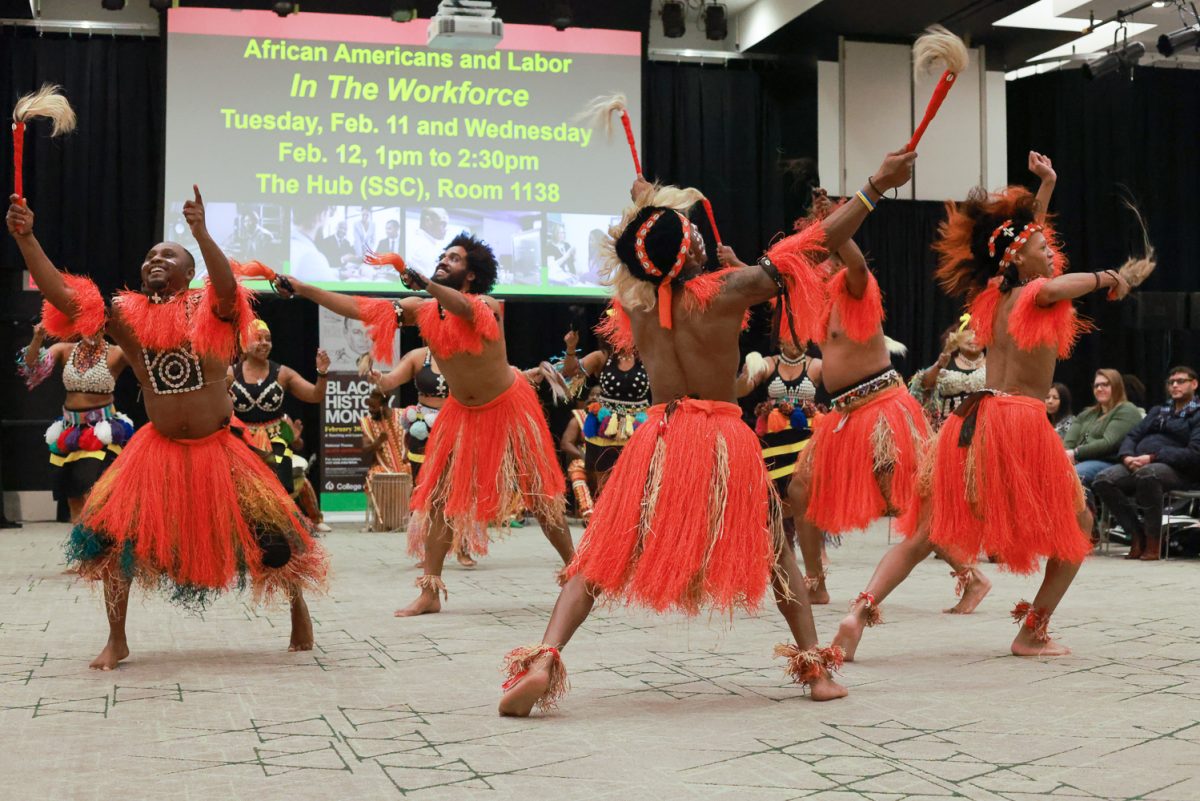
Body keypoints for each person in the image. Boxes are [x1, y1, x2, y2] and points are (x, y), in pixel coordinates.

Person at [497, 150, 918, 717]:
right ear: (690, 250)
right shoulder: (726, 293)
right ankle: (815, 669)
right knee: (776, 553)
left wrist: (646, 205)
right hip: (720, 441)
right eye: (689, 230)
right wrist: (875, 186)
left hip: (660, 436)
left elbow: (639, 250)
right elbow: (815, 246)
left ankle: (546, 657)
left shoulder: (638, 302)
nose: (696, 233)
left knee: (598, 558)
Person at [7, 187, 328, 670]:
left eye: (169, 255)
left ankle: (298, 610)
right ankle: (117, 638)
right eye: (151, 255)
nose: (156, 259)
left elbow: (225, 288)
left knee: (276, 539)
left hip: (220, 449)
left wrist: (200, 233)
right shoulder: (126, 322)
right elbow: (66, 298)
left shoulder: (212, 313)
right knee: (109, 540)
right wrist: (27, 239)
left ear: (188, 271)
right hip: (156, 451)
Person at [275, 234, 575, 616]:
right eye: (443, 255)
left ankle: (577, 569)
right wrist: (303, 289)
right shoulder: (422, 308)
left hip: (508, 407)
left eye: (455, 258)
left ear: (471, 275)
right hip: (460, 414)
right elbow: (360, 307)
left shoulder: (484, 305)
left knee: (537, 492)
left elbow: (465, 311)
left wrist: (429, 285)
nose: (445, 260)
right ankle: (430, 590)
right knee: (437, 499)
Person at [912, 157, 1141, 657]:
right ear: (1023, 256)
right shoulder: (1035, 291)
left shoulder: (995, 293)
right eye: (1045, 247)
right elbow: (1047, 275)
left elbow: (1024, 241)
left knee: (936, 526)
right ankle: (1032, 629)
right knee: (1078, 528)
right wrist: (1109, 277)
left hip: (980, 418)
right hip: (1019, 421)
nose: (1051, 250)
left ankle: (860, 613)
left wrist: (1048, 185)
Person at [722, 188, 981, 612]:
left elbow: (856, 260)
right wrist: (737, 267)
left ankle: (971, 576)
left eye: (822, 256)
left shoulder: (857, 287)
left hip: (883, 408)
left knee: (902, 500)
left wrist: (832, 220)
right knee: (802, 490)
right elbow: (769, 286)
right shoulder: (816, 302)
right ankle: (816, 582)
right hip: (844, 415)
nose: (814, 267)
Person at [370, 342, 480, 567]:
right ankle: (427, 551)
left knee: (461, 486)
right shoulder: (418, 357)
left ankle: (463, 547)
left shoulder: (466, 354)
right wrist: (379, 378)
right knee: (424, 489)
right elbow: (391, 380)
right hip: (424, 427)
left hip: (458, 422)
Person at [20, 322, 132, 522]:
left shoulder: (117, 353)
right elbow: (30, 368)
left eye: (98, 328)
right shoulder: (65, 350)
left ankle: (103, 542)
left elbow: (144, 362)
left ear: (105, 328)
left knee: (94, 495)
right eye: (87, 327)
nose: (92, 332)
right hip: (70, 431)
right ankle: (83, 548)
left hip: (100, 432)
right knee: (74, 499)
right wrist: (37, 339)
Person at [228, 319, 331, 529]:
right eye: (258, 339)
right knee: (241, 488)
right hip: (241, 440)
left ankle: (310, 521)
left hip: (275, 439)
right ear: (243, 344)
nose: (264, 343)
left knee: (290, 480)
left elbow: (314, 395)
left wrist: (322, 373)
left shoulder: (282, 373)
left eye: (268, 339)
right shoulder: (230, 374)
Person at [1092, 367, 1200, 561]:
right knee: (1103, 480)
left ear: (1194, 384)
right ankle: (1136, 535)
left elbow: (1193, 454)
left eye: (1181, 381)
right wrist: (1126, 456)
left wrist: (1152, 457)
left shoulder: (1197, 414)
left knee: (1148, 474)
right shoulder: (1159, 411)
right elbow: (1133, 435)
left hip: (1180, 470)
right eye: (1171, 382)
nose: (1174, 385)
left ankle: (1153, 541)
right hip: (1139, 462)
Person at [735, 342, 823, 545]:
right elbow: (741, 390)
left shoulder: (816, 365)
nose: (797, 341)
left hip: (805, 441)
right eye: (792, 336)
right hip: (774, 441)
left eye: (802, 336)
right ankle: (784, 543)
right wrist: (746, 374)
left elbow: (840, 384)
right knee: (776, 494)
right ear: (782, 338)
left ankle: (816, 547)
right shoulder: (768, 364)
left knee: (804, 492)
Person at [561, 326, 650, 496]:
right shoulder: (602, 357)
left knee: (635, 486)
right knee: (605, 489)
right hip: (605, 428)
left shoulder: (646, 356)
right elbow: (570, 372)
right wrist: (571, 347)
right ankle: (607, 519)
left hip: (638, 427)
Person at [1063, 369, 1144, 493]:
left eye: (1105, 384)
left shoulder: (1127, 410)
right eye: (1096, 385)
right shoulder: (1087, 413)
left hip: (1108, 461)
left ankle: (1087, 513)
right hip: (1081, 459)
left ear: (1116, 386)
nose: (1099, 389)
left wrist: (1076, 453)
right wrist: (1065, 455)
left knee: (1072, 476)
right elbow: (1069, 441)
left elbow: (1108, 443)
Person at [908, 323, 986, 428]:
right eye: (967, 333)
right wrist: (938, 366)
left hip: (983, 429)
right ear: (956, 338)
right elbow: (923, 386)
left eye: (978, 333)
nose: (973, 338)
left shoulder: (994, 364)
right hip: (948, 430)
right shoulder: (945, 362)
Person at [291, 202, 337, 282]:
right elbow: (333, 291)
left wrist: (338, 273)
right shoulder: (311, 256)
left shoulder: (292, 244)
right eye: (329, 214)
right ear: (322, 215)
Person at [407, 207, 449, 274]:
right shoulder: (418, 245)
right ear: (428, 221)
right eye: (443, 224)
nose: (447, 229)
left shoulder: (428, 243)